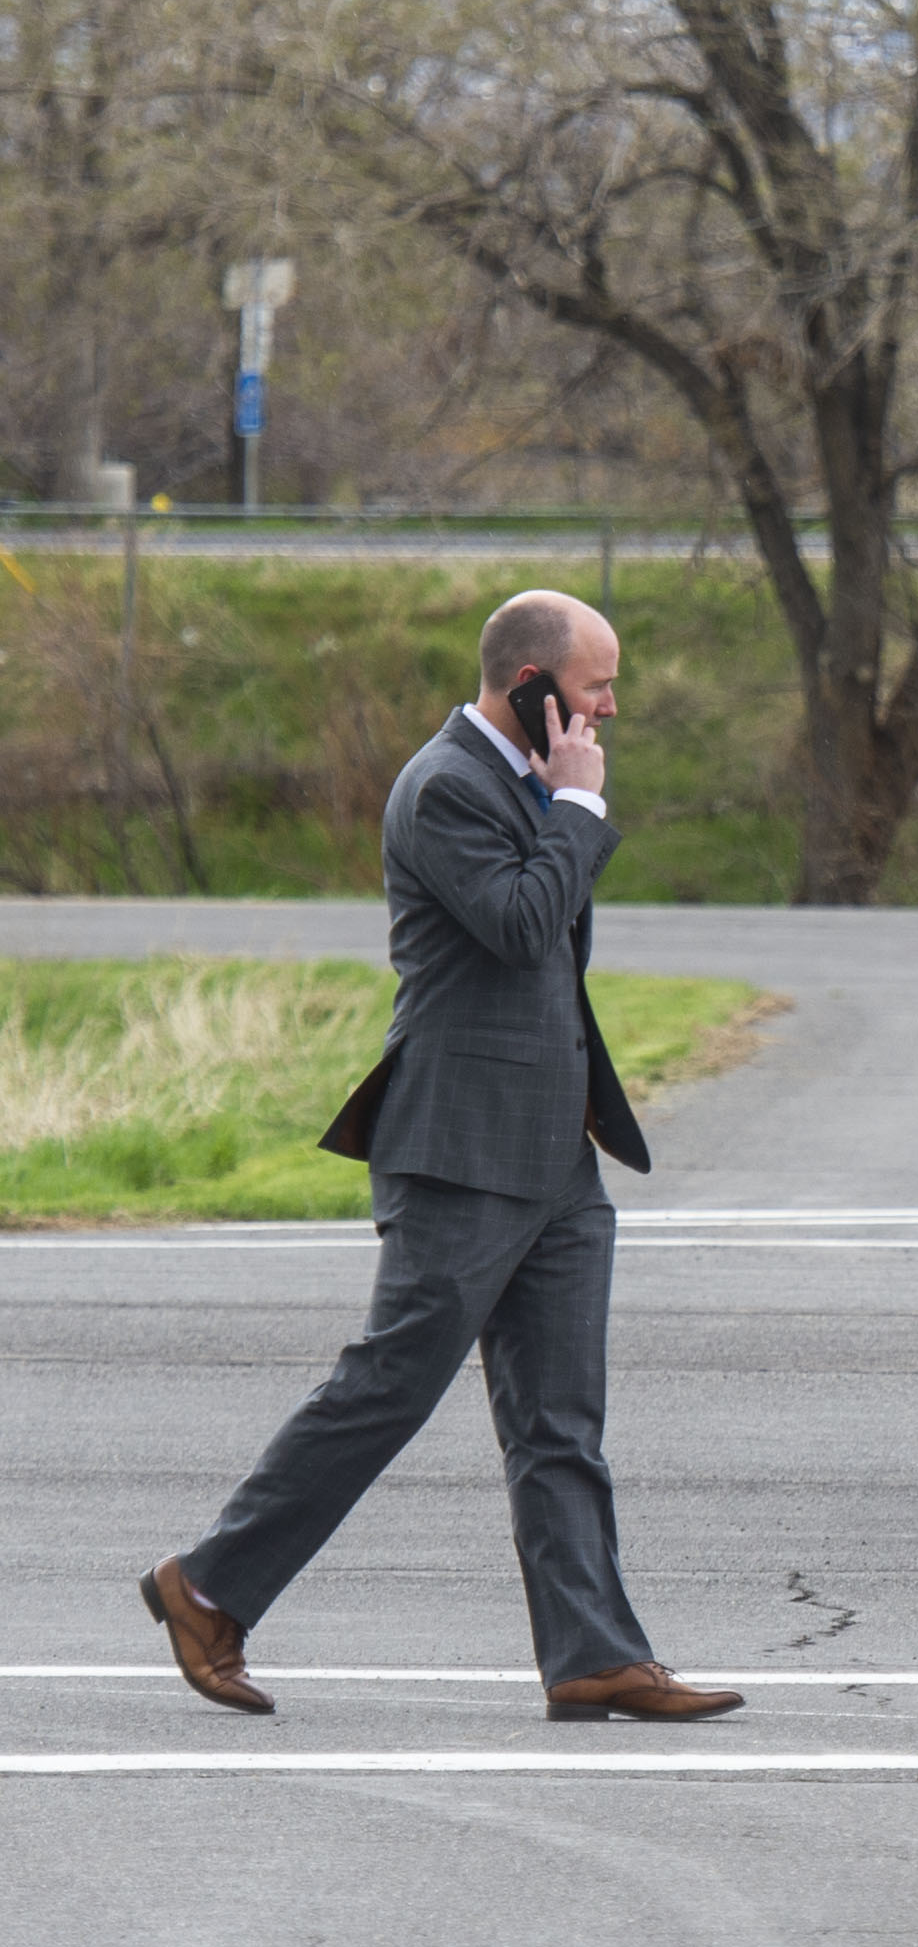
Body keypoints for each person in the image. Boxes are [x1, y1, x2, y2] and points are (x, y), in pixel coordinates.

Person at [136, 590, 744, 1724]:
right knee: (387, 1387)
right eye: (594, 683)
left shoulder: (523, 783)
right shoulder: (446, 787)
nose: (611, 703)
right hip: (459, 1150)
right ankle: (206, 1586)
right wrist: (574, 805)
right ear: (528, 683)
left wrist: (562, 803)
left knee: (561, 1418)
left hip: (556, 1154)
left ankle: (593, 1652)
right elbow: (519, 926)